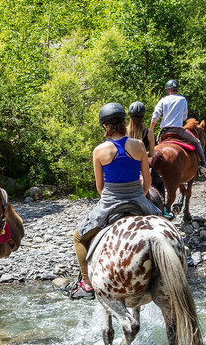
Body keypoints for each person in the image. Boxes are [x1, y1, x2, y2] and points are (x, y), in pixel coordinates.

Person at [66, 103, 162, 300]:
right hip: (138, 198)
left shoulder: (99, 151)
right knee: (164, 225)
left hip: (110, 202)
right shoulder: (139, 145)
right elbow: (148, 180)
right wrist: (140, 194)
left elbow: (100, 188)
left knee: (78, 238)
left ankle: (87, 284)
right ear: (123, 122)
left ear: (105, 126)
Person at [148, 78, 206, 179]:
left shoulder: (163, 100)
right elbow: (185, 117)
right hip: (179, 131)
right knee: (197, 142)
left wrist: (151, 129)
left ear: (167, 90)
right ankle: (204, 165)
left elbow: (155, 116)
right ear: (176, 89)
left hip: (164, 132)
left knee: (156, 145)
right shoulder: (182, 99)